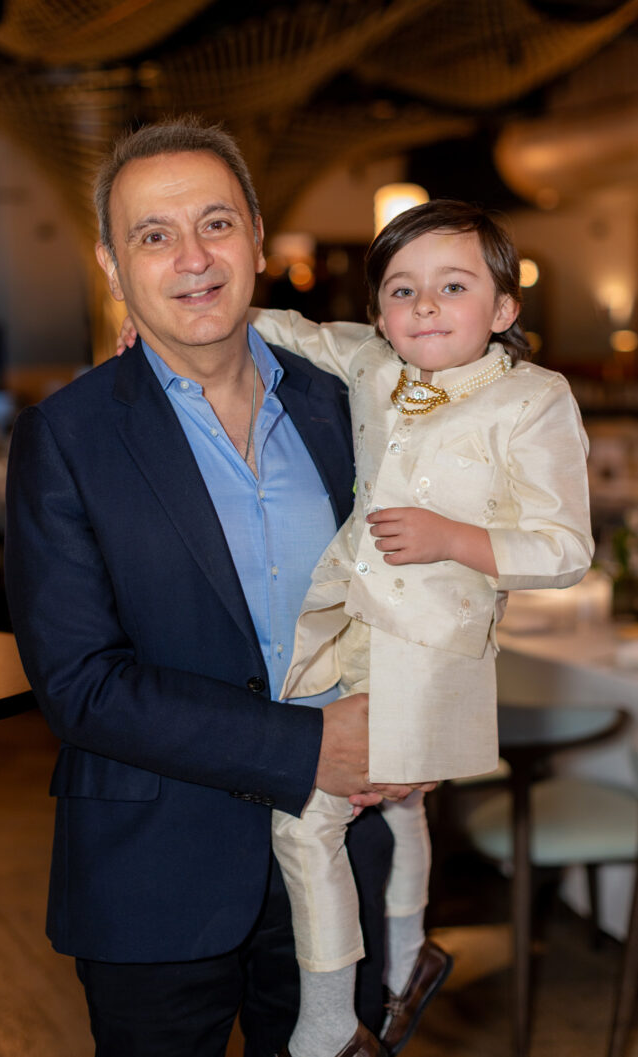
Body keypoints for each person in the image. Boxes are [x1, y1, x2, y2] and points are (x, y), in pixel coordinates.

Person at [3, 117, 416, 1057]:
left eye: (216, 223)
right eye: (153, 235)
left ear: (257, 238)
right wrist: (308, 746)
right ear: (113, 266)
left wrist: (423, 717)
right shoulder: (65, 438)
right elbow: (79, 684)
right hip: (155, 873)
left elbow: (418, 581)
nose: (192, 257)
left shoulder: (349, 401)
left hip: (346, 854)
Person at [248, 200, 593, 1057]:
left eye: (452, 286)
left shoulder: (532, 399)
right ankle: (406, 962)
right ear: (378, 311)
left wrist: (453, 539)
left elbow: (564, 547)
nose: (425, 305)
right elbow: (291, 331)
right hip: (347, 622)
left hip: (434, 650)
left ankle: (328, 1023)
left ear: (503, 307)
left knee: (308, 816)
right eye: (402, 289)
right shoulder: (372, 360)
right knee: (399, 804)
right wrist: (174, 325)